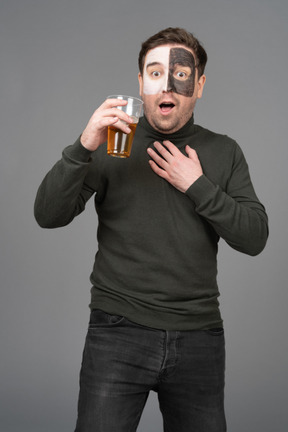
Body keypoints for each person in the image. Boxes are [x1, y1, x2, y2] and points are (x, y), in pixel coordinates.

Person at [34, 27, 268, 432]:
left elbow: (254, 238)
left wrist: (196, 184)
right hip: (117, 333)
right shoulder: (111, 142)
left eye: (181, 74)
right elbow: (48, 214)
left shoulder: (224, 151)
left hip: (199, 337)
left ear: (199, 86)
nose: (168, 85)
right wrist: (83, 145)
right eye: (155, 73)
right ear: (141, 82)